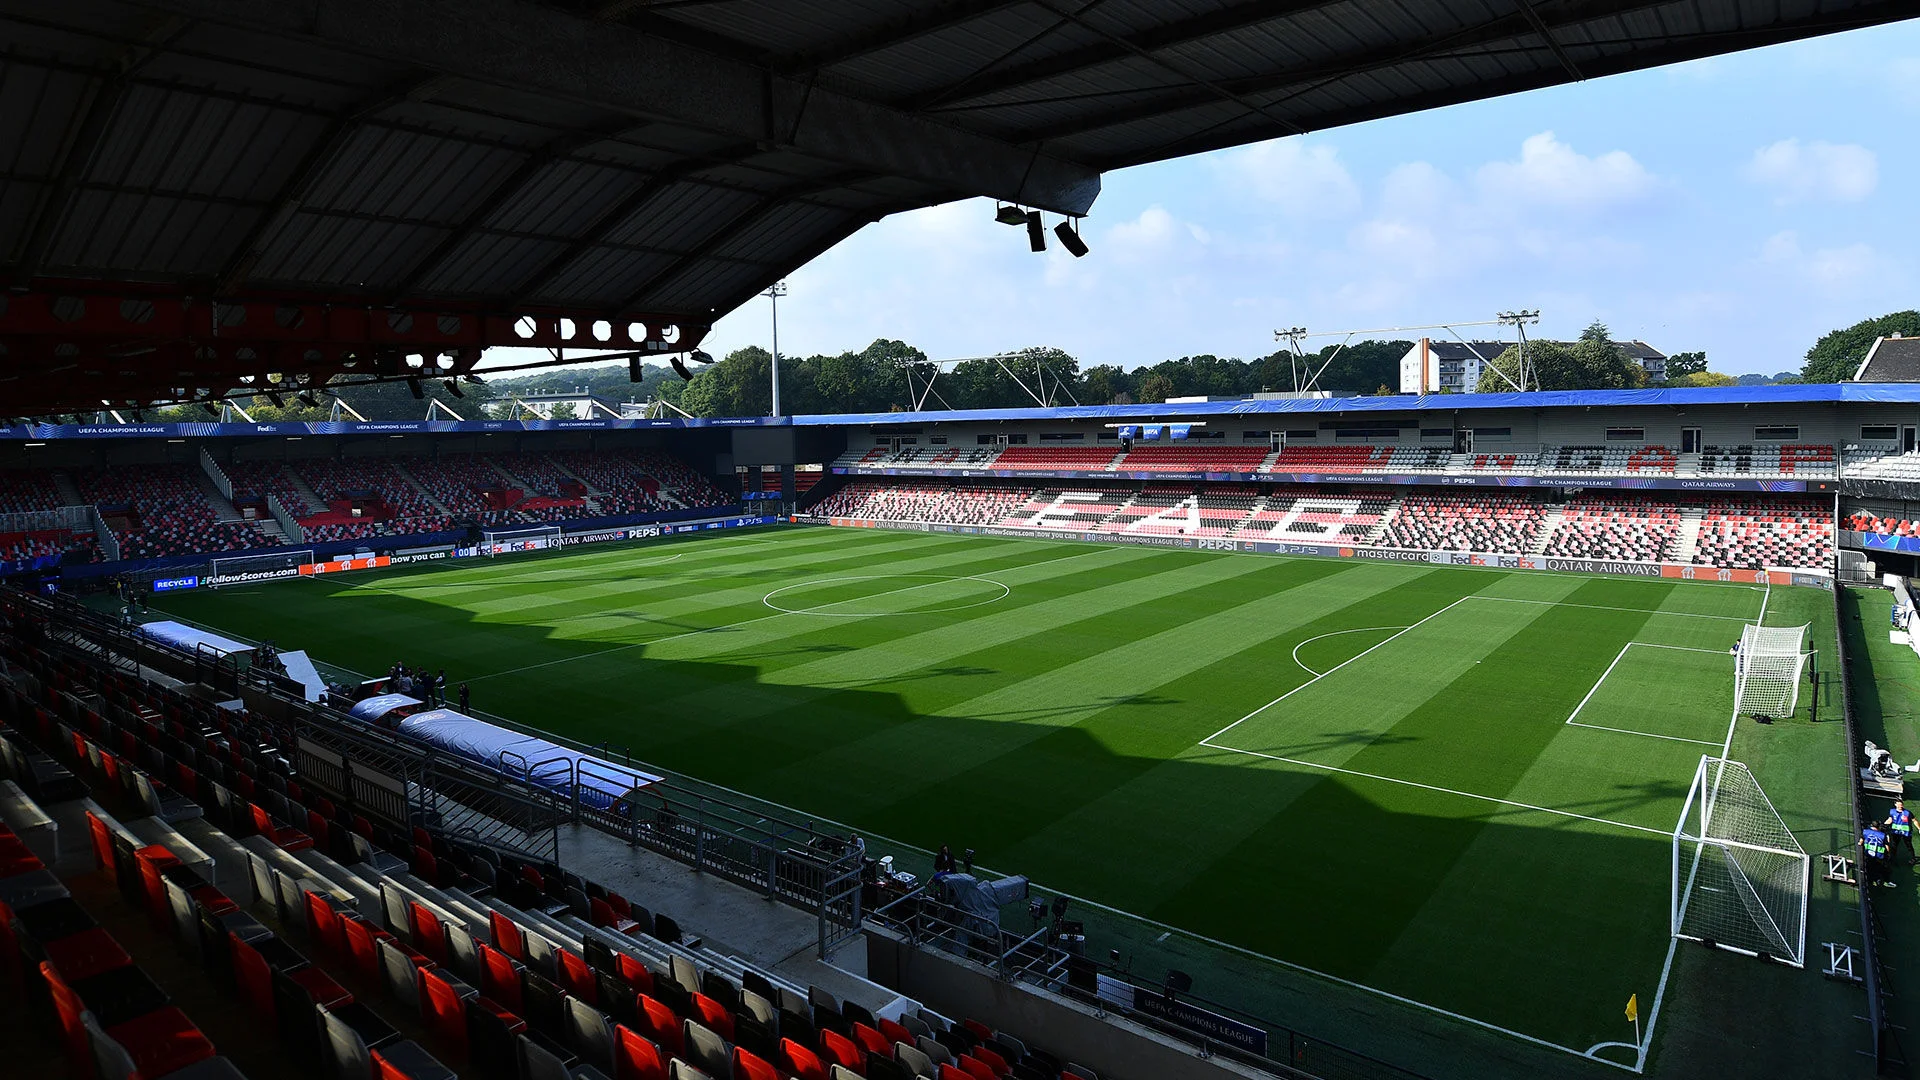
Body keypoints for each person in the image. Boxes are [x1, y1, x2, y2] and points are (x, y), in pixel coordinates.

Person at [1861, 823, 1895, 888]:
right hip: (1879, 856)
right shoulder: (1882, 835)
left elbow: (1860, 841)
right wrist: (1888, 854)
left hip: (1868, 855)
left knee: (1870, 868)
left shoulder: (1866, 832)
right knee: (1883, 868)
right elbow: (1887, 847)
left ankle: (1872, 881)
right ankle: (1884, 881)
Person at [1889, 800, 1917, 865]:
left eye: (1901, 805)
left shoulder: (1907, 813)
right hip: (1896, 832)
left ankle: (1913, 858)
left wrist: (1919, 828)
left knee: (1909, 845)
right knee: (1894, 845)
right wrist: (1884, 824)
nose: (1900, 806)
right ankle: (1892, 858)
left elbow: (1914, 820)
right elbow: (1890, 819)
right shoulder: (1892, 811)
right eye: (1899, 805)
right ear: (1895, 805)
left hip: (1906, 832)